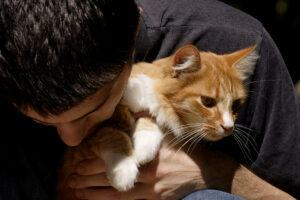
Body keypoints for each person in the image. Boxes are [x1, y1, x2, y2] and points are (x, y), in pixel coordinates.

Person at [0, 0, 299, 199]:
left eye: (91, 110)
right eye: (38, 121)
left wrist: (214, 174)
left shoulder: (230, 42)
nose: (71, 138)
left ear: (133, 39)